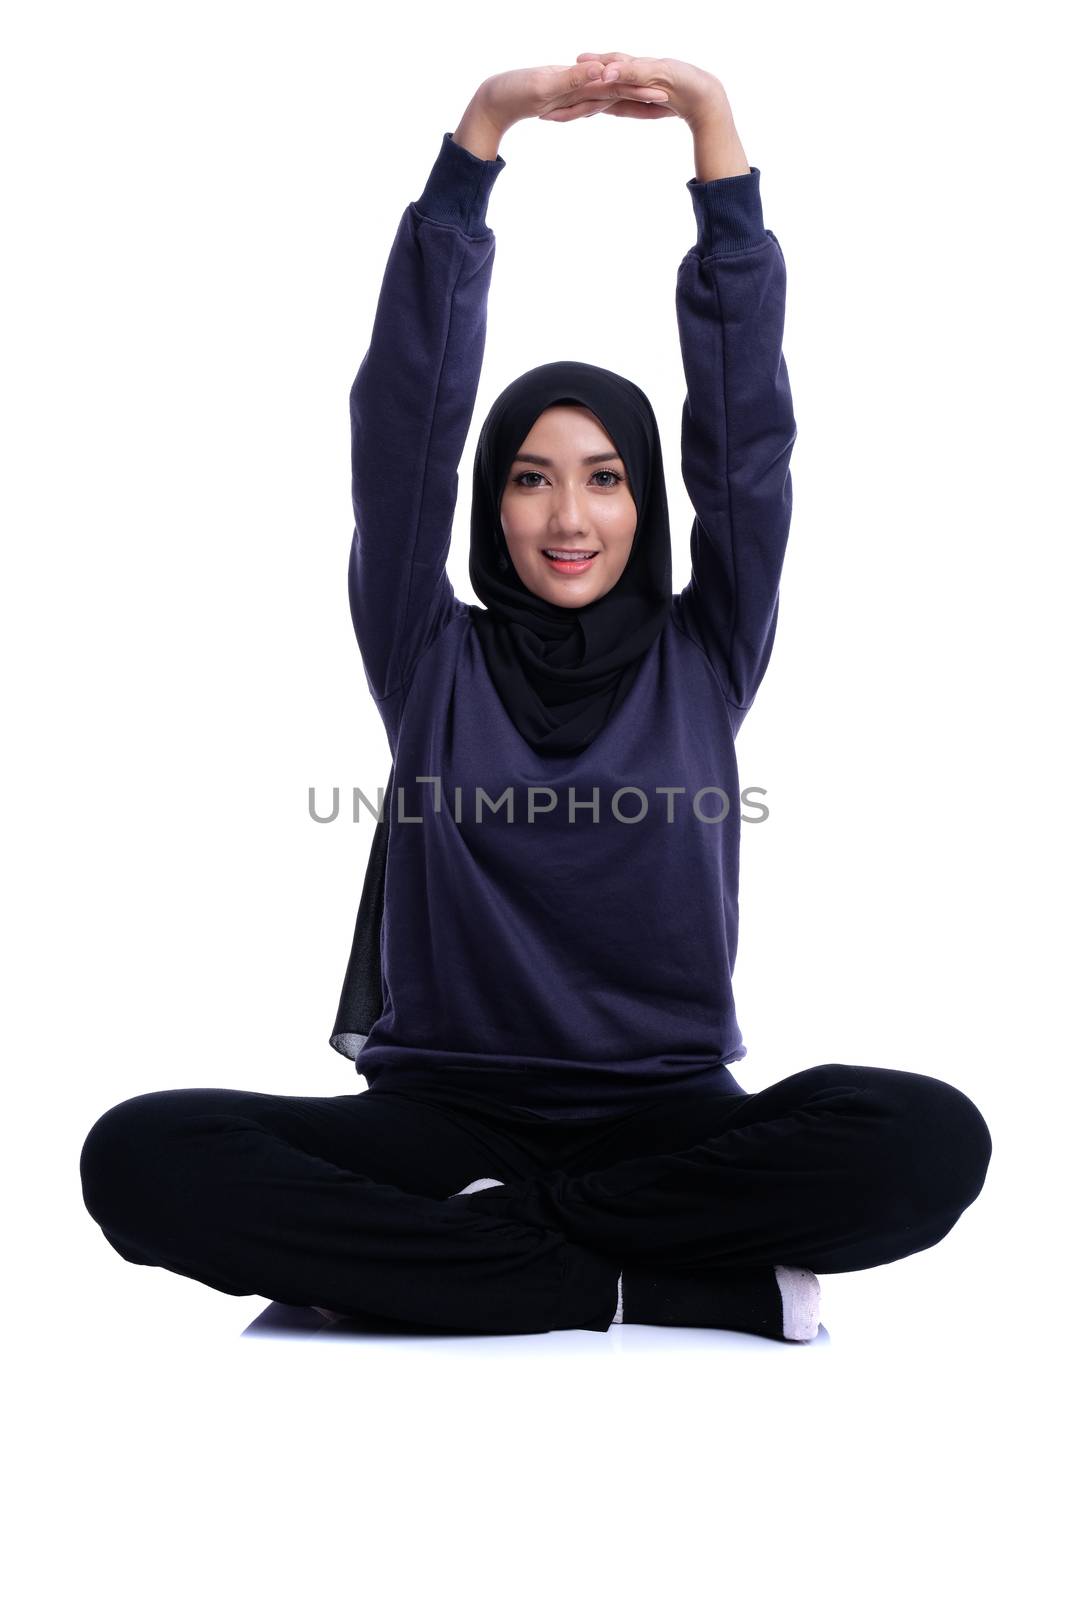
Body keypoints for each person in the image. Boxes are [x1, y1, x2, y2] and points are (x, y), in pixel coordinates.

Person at [79, 55, 992, 1344]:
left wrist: (716, 148)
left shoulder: (709, 649)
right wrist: (481, 141)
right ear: (488, 504)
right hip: (440, 1114)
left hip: (668, 1112)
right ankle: (636, 1282)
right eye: (530, 479)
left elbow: (749, 445)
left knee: (927, 1140)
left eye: (607, 478)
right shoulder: (425, 653)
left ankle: (469, 1252)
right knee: (139, 1158)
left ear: (646, 503)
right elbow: (403, 423)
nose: (569, 516)